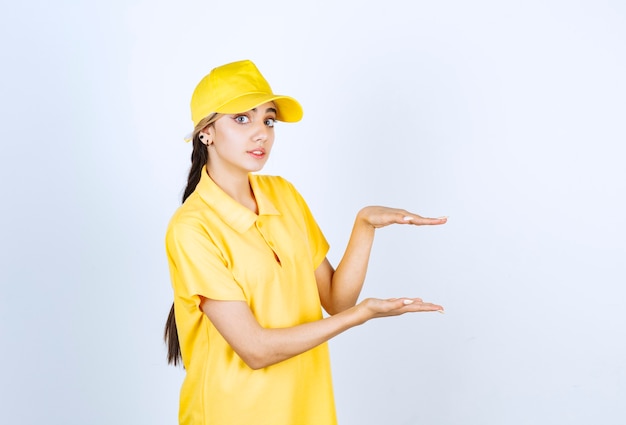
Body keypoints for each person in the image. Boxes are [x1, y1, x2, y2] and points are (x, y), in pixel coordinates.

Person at [164, 59, 447, 425]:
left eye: (268, 120)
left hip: (306, 410)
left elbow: (336, 299)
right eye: (241, 118)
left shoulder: (283, 195)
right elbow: (255, 350)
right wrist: (359, 317)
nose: (261, 133)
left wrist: (364, 225)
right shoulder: (192, 228)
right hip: (232, 414)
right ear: (206, 132)